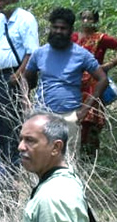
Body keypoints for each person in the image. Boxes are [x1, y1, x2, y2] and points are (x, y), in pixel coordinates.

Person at [24, 8, 107, 151]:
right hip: (42, 115)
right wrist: (25, 103)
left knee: (68, 162)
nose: (58, 31)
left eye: (63, 28)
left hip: (69, 116)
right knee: (39, 159)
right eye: (55, 27)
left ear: (71, 30)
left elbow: (102, 79)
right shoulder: (40, 53)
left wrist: (83, 111)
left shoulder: (81, 54)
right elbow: (26, 79)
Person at [0, 0, 39, 165]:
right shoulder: (1, 18)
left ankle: (12, 163)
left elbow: (32, 51)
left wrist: (18, 74)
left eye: (2, 0)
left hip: (11, 76)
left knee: (11, 119)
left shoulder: (26, 19)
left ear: (14, 1)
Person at [73, 10, 117, 155]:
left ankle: (89, 155)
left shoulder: (101, 38)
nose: (86, 21)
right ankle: (73, 152)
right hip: (74, 83)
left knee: (90, 119)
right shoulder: (73, 37)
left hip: (94, 84)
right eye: (84, 18)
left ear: (95, 20)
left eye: (90, 18)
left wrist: (108, 65)